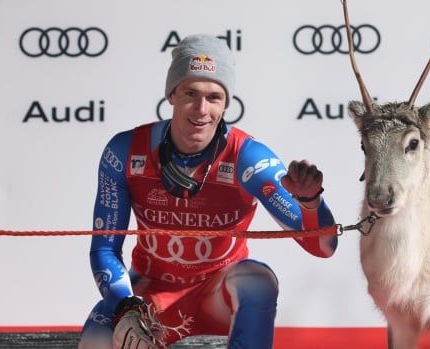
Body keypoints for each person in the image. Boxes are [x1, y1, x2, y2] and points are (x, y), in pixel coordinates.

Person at [78, 34, 338, 349]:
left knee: (258, 280)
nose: (202, 109)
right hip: (151, 298)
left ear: (226, 103)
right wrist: (125, 304)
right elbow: (104, 249)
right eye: (191, 93)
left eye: (214, 97)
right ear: (171, 95)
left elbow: (322, 247)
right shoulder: (124, 151)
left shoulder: (248, 157)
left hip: (217, 296)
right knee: (95, 338)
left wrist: (311, 201)